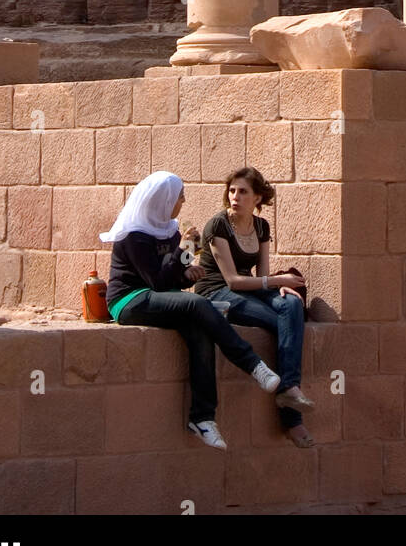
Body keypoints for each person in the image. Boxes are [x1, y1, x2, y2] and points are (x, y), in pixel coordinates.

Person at [100, 170, 281, 450]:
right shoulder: (133, 235)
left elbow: (172, 277)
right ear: (163, 200)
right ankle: (252, 364)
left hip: (159, 297)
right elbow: (157, 281)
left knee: (201, 331)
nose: (182, 202)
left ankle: (203, 418)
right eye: (179, 197)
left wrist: (188, 273)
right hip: (129, 301)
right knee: (198, 303)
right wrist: (185, 248)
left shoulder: (169, 229)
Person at [194, 166, 314, 449]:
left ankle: (288, 390)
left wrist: (280, 286)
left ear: (257, 198)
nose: (235, 196)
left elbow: (262, 273)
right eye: (232, 190)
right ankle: (292, 417)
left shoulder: (261, 227)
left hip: (251, 287)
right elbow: (233, 281)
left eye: (243, 191)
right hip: (218, 293)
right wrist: (276, 280)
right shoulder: (217, 225)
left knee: (291, 305)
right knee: (282, 322)